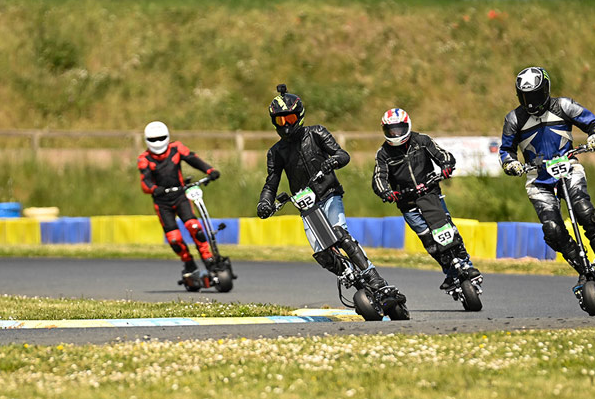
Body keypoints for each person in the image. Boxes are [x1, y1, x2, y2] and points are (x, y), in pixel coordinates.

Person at [256, 84, 403, 308]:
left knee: (339, 233)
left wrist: (332, 161)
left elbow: (343, 155)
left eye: (289, 119)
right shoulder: (276, 152)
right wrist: (265, 202)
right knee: (321, 253)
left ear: (300, 116)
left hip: (329, 194)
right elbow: (271, 182)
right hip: (305, 205)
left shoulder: (317, 133)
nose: (285, 125)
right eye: (280, 121)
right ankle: (350, 277)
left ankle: (374, 278)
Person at [499, 66, 595, 282]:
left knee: (584, 211)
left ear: (546, 89)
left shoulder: (564, 106)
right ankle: (585, 271)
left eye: (535, 95)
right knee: (553, 229)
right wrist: (511, 164)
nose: (530, 102)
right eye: (525, 96)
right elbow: (506, 151)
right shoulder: (513, 119)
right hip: (538, 180)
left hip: (569, 168)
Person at [372, 108, 482, 291]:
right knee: (429, 242)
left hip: (430, 193)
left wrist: (446, 165)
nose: (396, 134)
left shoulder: (422, 141)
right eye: (391, 130)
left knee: (447, 230)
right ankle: (449, 272)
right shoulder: (383, 153)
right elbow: (378, 178)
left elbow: (443, 155)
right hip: (407, 202)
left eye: (399, 129)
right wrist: (386, 192)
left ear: (407, 126)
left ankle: (466, 264)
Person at [137, 120, 221, 279]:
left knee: (194, 227)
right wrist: (155, 189)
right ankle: (189, 263)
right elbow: (145, 183)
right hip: (162, 202)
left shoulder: (176, 148)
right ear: (147, 141)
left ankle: (208, 259)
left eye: (160, 138)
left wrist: (210, 170)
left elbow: (193, 159)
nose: (157, 142)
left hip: (181, 196)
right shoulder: (144, 158)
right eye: (153, 140)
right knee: (174, 239)